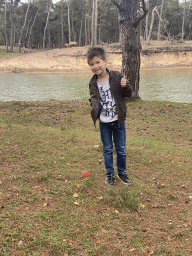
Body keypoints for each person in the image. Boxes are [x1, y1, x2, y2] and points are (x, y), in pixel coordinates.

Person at [87, 47, 133, 185]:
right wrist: (93, 106)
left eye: (97, 62)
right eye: (91, 64)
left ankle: (122, 172)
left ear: (105, 61)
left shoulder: (117, 76)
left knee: (121, 149)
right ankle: (109, 174)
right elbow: (93, 99)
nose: (95, 66)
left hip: (118, 121)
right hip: (104, 122)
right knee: (107, 149)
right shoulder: (92, 83)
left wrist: (126, 86)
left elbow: (128, 94)